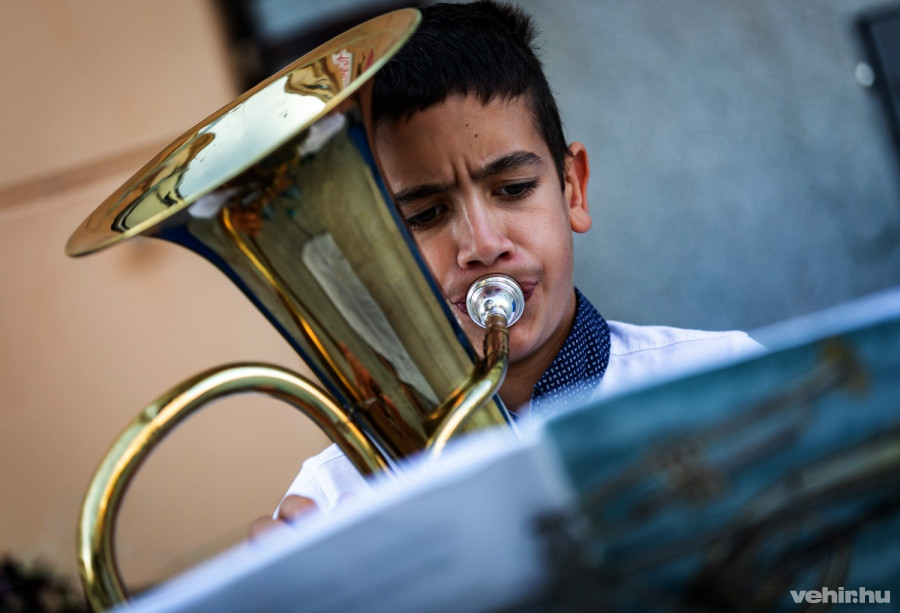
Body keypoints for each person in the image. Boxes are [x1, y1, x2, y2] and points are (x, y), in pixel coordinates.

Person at [250, 0, 763, 536]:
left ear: (573, 190)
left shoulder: (731, 379)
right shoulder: (334, 498)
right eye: (424, 215)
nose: (483, 245)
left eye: (514, 189)